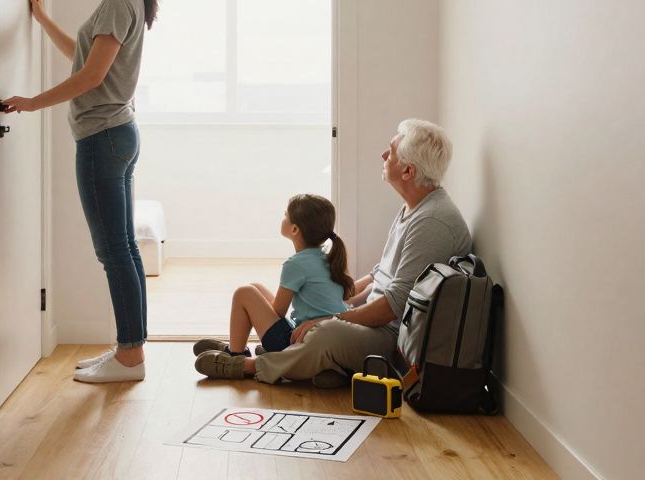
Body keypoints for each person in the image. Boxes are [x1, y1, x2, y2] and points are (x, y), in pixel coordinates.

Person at [2, 0, 158, 384]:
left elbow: (92, 76)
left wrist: (30, 103)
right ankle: (129, 350)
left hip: (102, 138)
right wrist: (43, 18)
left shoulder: (118, 1)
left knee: (114, 251)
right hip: (120, 133)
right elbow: (84, 55)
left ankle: (130, 357)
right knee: (123, 249)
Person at [193, 120, 472, 386]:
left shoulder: (432, 222)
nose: (384, 154)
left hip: (388, 337)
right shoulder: (413, 209)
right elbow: (380, 276)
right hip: (372, 321)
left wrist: (331, 318)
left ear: (408, 171)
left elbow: (391, 308)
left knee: (324, 333)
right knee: (319, 325)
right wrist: (342, 293)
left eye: (392, 151)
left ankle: (249, 366)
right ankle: (328, 368)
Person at [191, 194, 354, 361]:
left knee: (244, 293)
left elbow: (278, 311)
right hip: (313, 336)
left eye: (285, 215)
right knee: (256, 288)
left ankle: (236, 354)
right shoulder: (328, 257)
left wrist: (257, 309)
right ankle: (236, 345)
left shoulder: (296, 265)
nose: (283, 217)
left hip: (295, 343)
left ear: (295, 229)